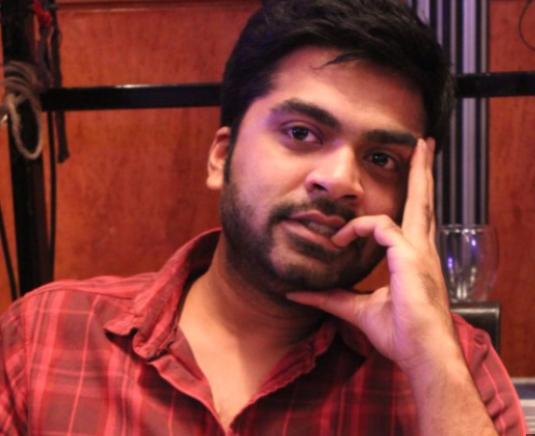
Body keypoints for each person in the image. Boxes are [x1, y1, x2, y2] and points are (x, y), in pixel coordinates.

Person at [0, 0, 527, 435]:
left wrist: (432, 359)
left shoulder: (460, 370)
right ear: (220, 157)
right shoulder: (44, 337)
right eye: (300, 133)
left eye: (381, 159)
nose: (340, 180)